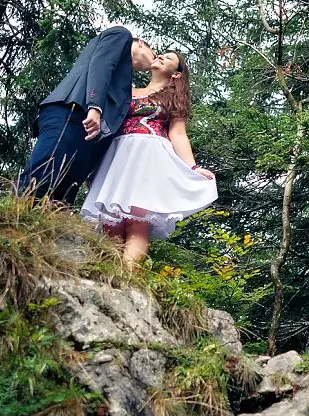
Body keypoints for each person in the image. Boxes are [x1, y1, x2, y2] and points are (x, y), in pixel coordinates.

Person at [79, 50, 218, 267]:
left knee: (137, 222)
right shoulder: (127, 91)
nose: (161, 56)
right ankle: (110, 273)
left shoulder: (173, 98)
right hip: (117, 157)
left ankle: (129, 274)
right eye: (161, 54)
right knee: (111, 221)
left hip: (149, 157)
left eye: (169, 58)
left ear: (177, 74)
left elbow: (178, 134)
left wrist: (192, 167)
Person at [15, 26, 156, 205]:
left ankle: (42, 222)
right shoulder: (121, 36)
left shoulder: (124, 79)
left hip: (87, 130)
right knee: (41, 178)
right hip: (72, 112)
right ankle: (13, 217)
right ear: (141, 44)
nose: (155, 60)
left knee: (63, 197)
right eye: (154, 54)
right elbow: (101, 65)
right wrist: (95, 106)